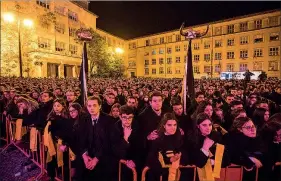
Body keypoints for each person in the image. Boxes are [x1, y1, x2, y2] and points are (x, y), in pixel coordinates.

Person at [145, 113, 186, 181]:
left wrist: (178, 157)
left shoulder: (179, 137)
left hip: (177, 173)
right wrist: (169, 160)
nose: (173, 127)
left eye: (175, 125)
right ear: (164, 125)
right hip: (160, 174)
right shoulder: (157, 138)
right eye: (169, 125)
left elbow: (183, 152)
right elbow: (152, 157)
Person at [225, 117, 266, 181]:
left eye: (253, 126)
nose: (253, 129)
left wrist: (252, 157)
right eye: (248, 127)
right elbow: (236, 156)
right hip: (235, 175)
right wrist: (251, 158)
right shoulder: (234, 140)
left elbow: (261, 152)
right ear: (239, 129)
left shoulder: (256, 138)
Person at [110, 105, 139, 181]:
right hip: (120, 164)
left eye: (130, 117)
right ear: (120, 116)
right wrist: (125, 138)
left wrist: (134, 161)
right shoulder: (114, 128)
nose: (127, 120)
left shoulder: (137, 126)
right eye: (124, 117)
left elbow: (141, 147)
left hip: (134, 162)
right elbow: (116, 151)